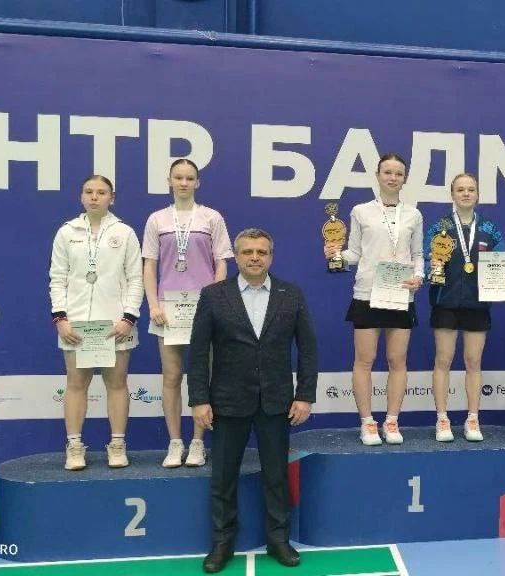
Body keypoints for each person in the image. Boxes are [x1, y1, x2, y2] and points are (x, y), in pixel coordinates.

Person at [188, 229, 317, 572]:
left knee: (276, 476)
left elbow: (308, 348)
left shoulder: (291, 294)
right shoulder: (214, 295)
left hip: (276, 402)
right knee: (223, 478)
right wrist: (199, 399)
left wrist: (305, 395)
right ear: (236, 256)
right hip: (227, 402)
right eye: (248, 252)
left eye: (261, 252)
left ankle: (279, 540)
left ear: (271, 256)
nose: (255, 257)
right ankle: (222, 543)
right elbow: (198, 352)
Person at [324, 153, 424, 446]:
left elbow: (418, 254)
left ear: (404, 179)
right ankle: (367, 422)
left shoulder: (414, 214)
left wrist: (419, 276)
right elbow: (355, 253)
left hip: (400, 293)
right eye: (387, 172)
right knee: (364, 360)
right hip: (367, 293)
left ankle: (392, 421)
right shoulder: (360, 211)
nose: (393, 178)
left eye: (398, 173)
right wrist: (337, 255)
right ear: (378, 176)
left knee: (397, 360)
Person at [143, 158, 234, 468]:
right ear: (169, 181)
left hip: (203, 309)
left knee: (202, 377)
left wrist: (215, 302)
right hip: (167, 312)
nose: (183, 182)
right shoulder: (157, 219)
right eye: (178, 177)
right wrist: (153, 305)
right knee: (171, 376)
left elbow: (221, 263)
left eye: (189, 178)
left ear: (198, 183)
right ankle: (174, 442)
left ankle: (197, 442)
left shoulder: (211, 218)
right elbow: (149, 266)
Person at [49, 175, 144, 470]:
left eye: (101, 192)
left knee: (117, 383)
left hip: (116, 326)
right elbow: (57, 278)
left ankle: (117, 444)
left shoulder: (125, 233)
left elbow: (135, 278)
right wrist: (61, 318)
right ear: (81, 196)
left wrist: (128, 317)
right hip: (75, 326)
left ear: (111, 198)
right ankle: (74, 446)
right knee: (76, 384)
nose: (94, 197)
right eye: (89, 192)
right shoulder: (66, 232)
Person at [425, 173, 505, 442]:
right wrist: (430, 265)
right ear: (452, 194)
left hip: (477, 304)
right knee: (443, 360)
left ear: (477, 194)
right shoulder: (439, 227)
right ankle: (442, 418)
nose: (466, 194)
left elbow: (501, 259)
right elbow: (426, 260)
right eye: (460, 189)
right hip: (445, 301)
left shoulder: (490, 229)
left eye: (471, 189)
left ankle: (473, 418)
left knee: (473, 362)